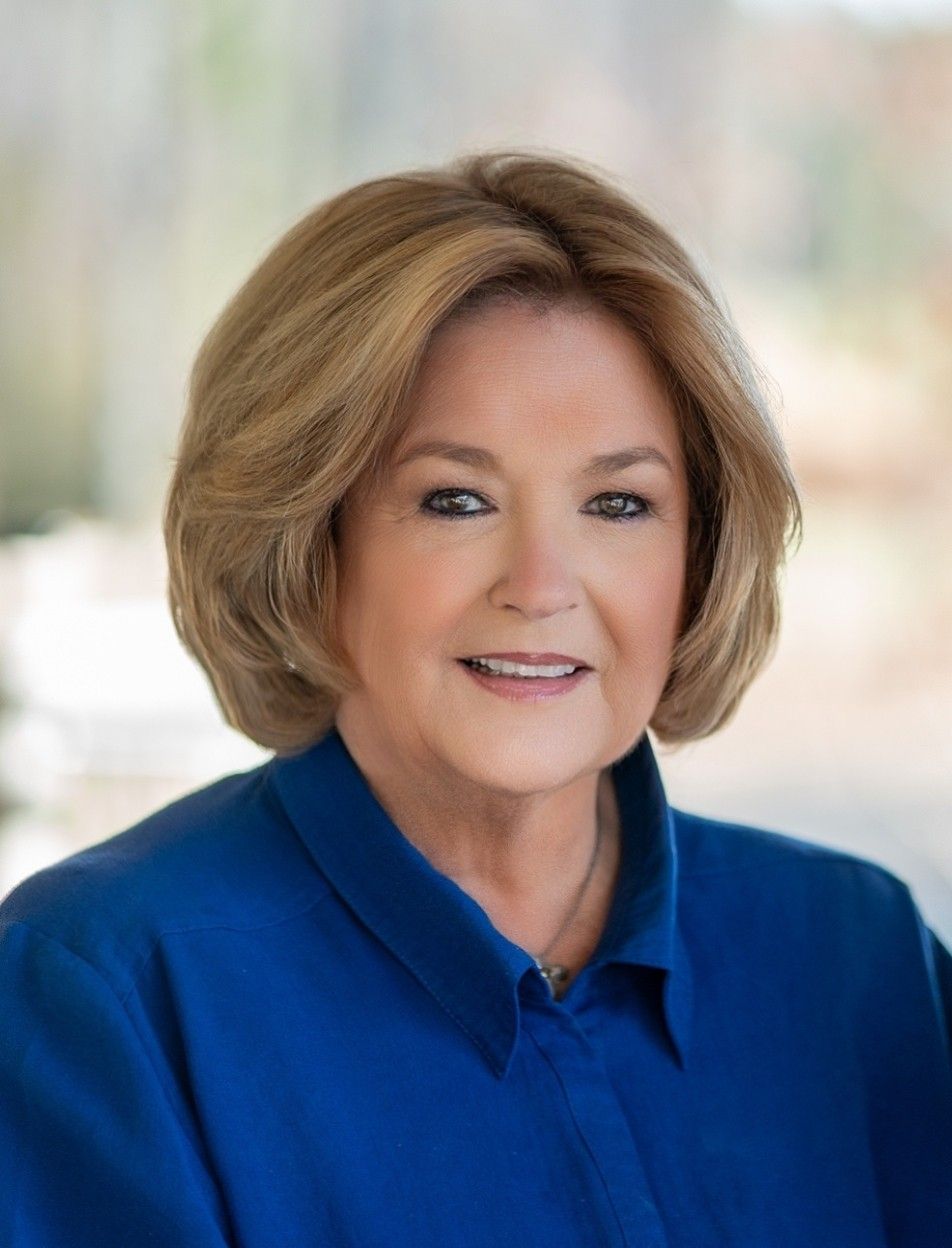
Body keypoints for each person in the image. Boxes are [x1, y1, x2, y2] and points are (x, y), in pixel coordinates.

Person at [0, 149, 949, 1248]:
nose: (541, 588)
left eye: (618, 502)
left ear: (701, 550)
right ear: (311, 539)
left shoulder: (854, 958)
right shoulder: (105, 995)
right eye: (454, 499)